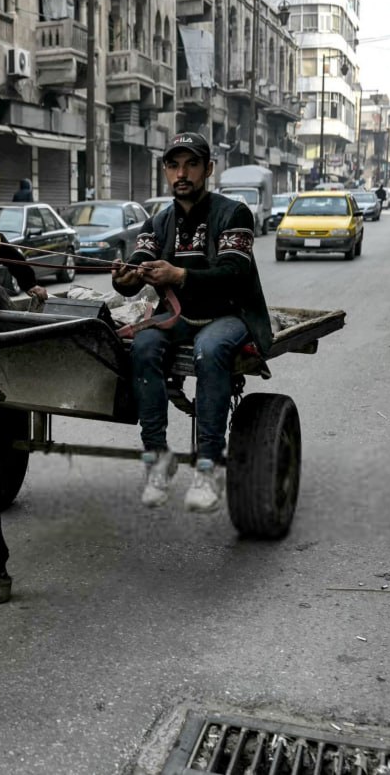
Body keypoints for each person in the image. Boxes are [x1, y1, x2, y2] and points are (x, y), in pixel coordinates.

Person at [111, 132, 273, 514]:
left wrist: (178, 275)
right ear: (166, 171)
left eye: (191, 164)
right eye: (173, 165)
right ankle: (157, 456)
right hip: (179, 315)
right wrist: (126, 277)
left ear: (208, 169)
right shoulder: (159, 221)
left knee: (211, 348)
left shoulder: (234, 213)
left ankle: (209, 465)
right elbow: (137, 262)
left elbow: (234, 271)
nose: (181, 173)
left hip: (232, 314)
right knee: (145, 345)